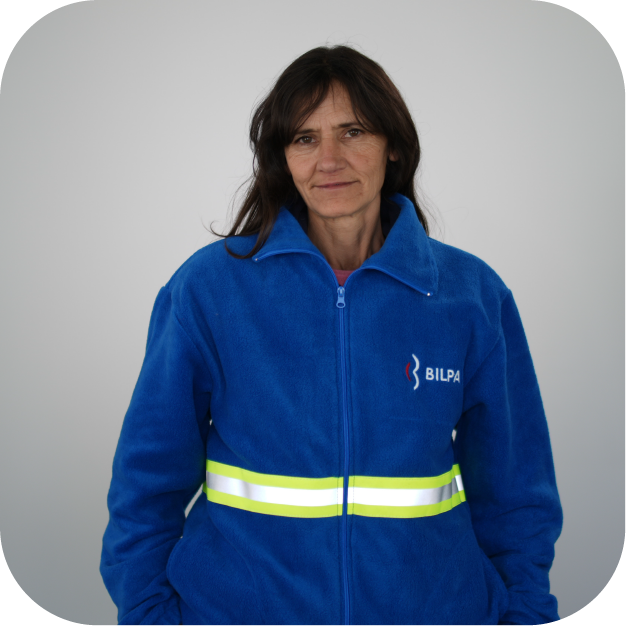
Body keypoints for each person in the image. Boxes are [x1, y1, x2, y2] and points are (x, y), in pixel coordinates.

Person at [100, 45, 562, 626]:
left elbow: (517, 494)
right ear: (283, 157)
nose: (328, 159)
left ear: (393, 145)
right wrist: (148, 614)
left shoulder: (472, 295)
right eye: (304, 138)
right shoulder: (208, 290)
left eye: (353, 131)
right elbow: (145, 484)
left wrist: (525, 613)